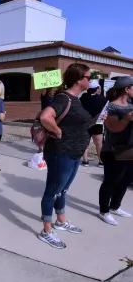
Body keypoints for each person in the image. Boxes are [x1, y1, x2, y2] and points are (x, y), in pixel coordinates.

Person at [37, 63, 92, 249]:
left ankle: (60, 220)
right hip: (61, 153)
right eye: (88, 77)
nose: (90, 81)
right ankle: (46, 230)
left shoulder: (76, 99)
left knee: (63, 190)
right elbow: (45, 116)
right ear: (79, 80)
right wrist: (58, 132)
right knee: (52, 191)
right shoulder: (64, 98)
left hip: (74, 153)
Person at [97, 76, 133, 226]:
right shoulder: (111, 107)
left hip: (130, 150)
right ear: (126, 89)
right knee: (111, 181)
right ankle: (104, 210)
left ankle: (115, 206)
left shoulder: (131, 104)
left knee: (125, 180)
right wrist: (126, 119)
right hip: (113, 151)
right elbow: (114, 128)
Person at [80, 80, 107, 166]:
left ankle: (85, 161)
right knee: (99, 143)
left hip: (85, 122)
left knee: (85, 142)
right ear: (97, 88)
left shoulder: (83, 97)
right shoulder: (102, 99)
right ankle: (101, 161)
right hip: (97, 123)